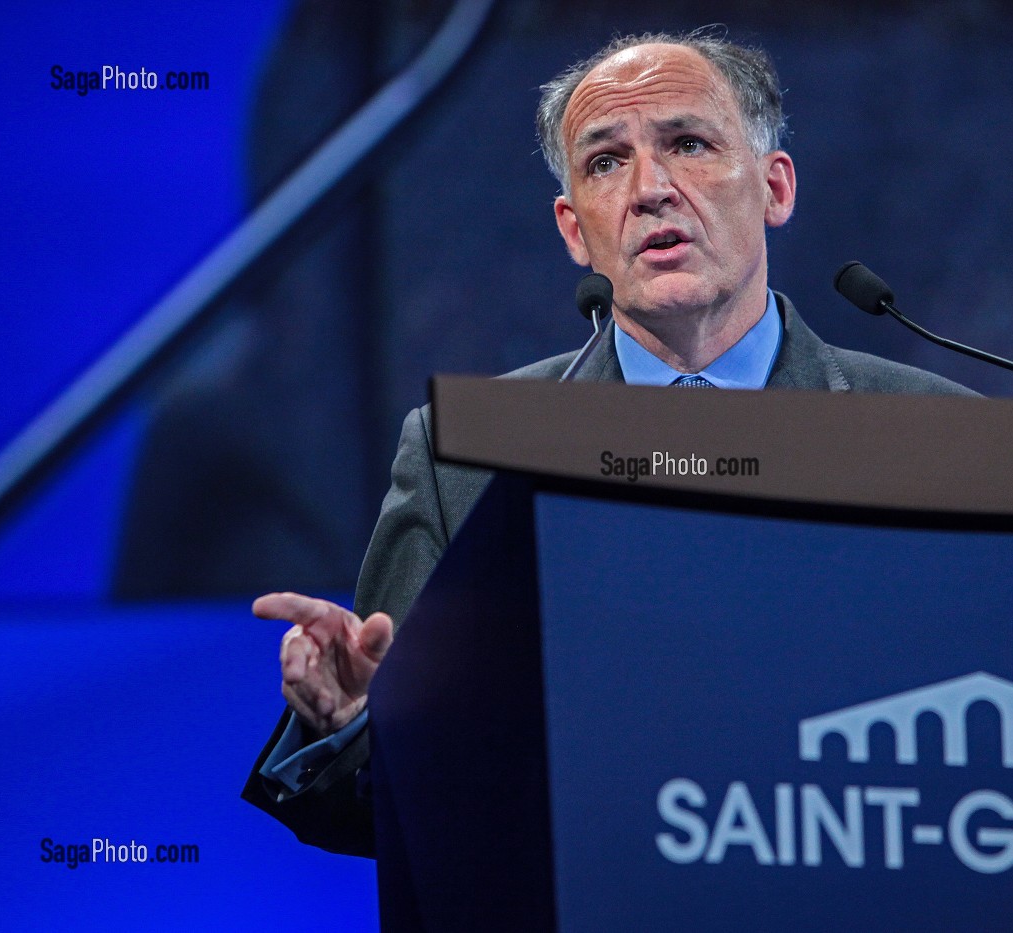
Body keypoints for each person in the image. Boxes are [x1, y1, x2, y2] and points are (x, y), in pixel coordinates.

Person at [242, 28, 976, 857]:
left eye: (689, 144)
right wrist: (356, 722)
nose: (651, 189)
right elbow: (390, 812)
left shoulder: (930, 431)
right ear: (573, 230)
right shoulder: (471, 453)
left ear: (775, 187)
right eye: (604, 163)